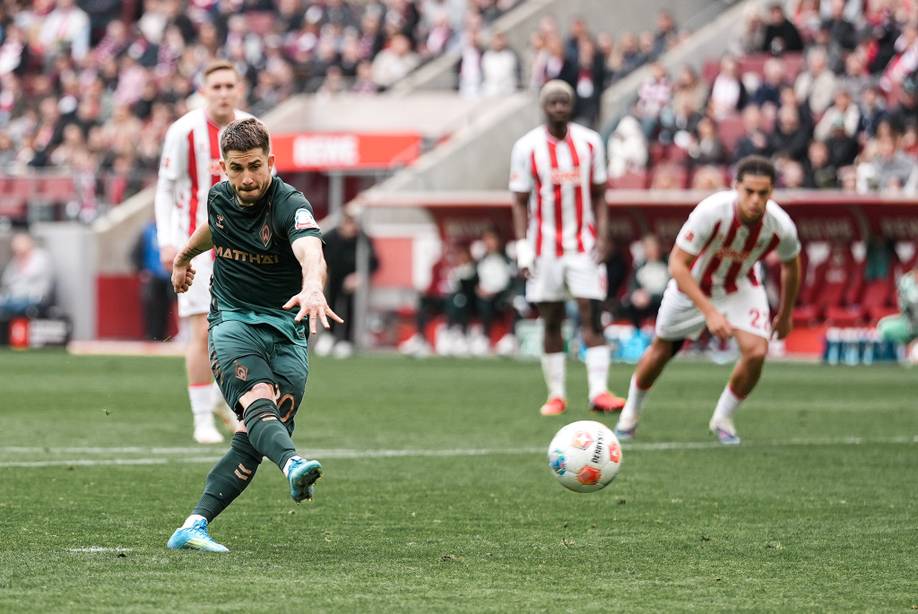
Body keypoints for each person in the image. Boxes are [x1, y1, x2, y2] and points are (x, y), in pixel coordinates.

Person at [166, 118, 342, 553]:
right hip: (232, 322)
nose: (247, 178)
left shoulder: (290, 204)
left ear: (272, 162)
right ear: (222, 167)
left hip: (287, 329)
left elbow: (310, 250)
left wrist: (313, 285)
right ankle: (293, 463)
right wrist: (184, 257)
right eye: (236, 168)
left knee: (254, 437)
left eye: (255, 167)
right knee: (258, 404)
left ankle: (193, 525)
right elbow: (215, 226)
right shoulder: (218, 197)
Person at [614, 156, 801, 445]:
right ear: (735, 187)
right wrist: (710, 312)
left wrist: (786, 313)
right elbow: (677, 264)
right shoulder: (712, 212)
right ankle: (631, 411)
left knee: (756, 351)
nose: (755, 200)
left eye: (763, 193)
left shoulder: (780, 225)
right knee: (661, 350)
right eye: (749, 191)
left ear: (772, 192)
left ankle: (723, 418)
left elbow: (792, 264)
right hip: (692, 285)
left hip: (739, 284)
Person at [509, 79, 625, 416]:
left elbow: (601, 193)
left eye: (564, 102)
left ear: (571, 106)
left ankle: (599, 392)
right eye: (553, 102)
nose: (559, 107)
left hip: (583, 245)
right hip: (544, 247)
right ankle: (556, 395)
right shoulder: (526, 147)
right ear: (543, 107)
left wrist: (602, 237)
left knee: (592, 315)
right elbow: (519, 200)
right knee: (551, 319)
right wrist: (522, 245)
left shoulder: (590, 143)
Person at [155, 59, 251, 444]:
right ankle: (201, 419)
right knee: (201, 330)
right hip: (196, 248)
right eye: (217, 87)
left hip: (243, 248)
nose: (224, 93)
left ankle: (219, 399)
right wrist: (167, 240)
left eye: (230, 85)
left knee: (240, 330)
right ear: (204, 91)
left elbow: (267, 185)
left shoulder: (252, 129)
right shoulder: (184, 131)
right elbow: (165, 188)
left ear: (238, 88)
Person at [316, 207, 378, 358]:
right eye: (348, 223)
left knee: (351, 308)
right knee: (329, 305)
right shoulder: (329, 237)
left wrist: (360, 276)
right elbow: (318, 256)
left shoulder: (362, 239)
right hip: (332, 277)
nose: (351, 227)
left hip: (353, 280)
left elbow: (374, 262)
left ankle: (346, 341)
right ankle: (328, 337)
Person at [131, 220, 173, 341]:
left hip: (168, 276)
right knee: (151, 307)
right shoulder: (147, 231)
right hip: (152, 276)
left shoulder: (171, 231)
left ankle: (163, 336)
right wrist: (141, 269)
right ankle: (151, 335)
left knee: (166, 308)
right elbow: (135, 253)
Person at [0, 231, 54, 319]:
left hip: (34, 299)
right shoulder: (17, 260)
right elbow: (6, 279)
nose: (16, 250)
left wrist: (22, 263)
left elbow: (28, 276)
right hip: (14, 297)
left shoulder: (40, 257)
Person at [877, 263, 918, 362]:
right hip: (910, 324)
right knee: (883, 326)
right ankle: (892, 360)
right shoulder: (907, 282)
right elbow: (913, 300)